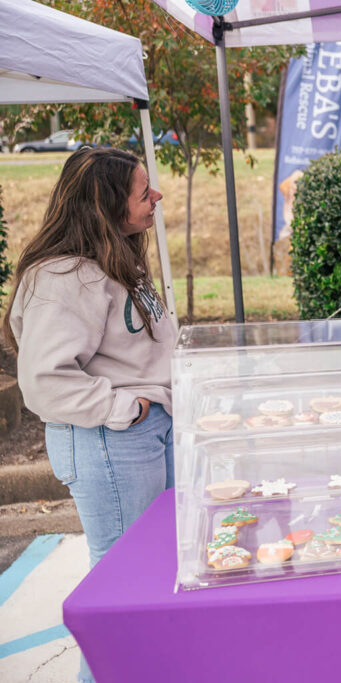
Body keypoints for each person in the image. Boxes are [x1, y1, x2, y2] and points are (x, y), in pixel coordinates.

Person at [2, 147, 174, 682]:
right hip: (111, 438)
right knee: (120, 587)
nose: (157, 197)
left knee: (147, 574)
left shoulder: (115, 255)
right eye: (144, 192)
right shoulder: (64, 277)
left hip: (140, 431)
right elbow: (46, 381)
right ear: (105, 204)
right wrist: (130, 408)